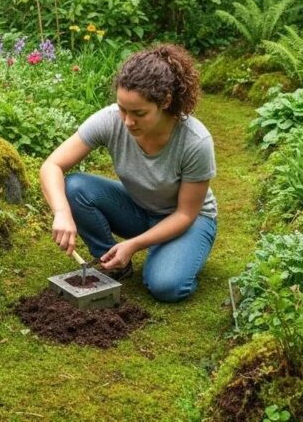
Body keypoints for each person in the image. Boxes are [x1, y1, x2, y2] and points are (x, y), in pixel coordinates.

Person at [39, 44, 217, 303]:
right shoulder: (111, 120)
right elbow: (51, 166)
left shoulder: (194, 142)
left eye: (139, 113)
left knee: (167, 286)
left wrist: (133, 244)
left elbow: (185, 213)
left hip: (188, 220)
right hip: (140, 209)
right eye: (122, 108)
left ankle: (174, 253)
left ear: (165, 102)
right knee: (74, 188)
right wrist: (62, 212)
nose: (127, 121)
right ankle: (113, 263)